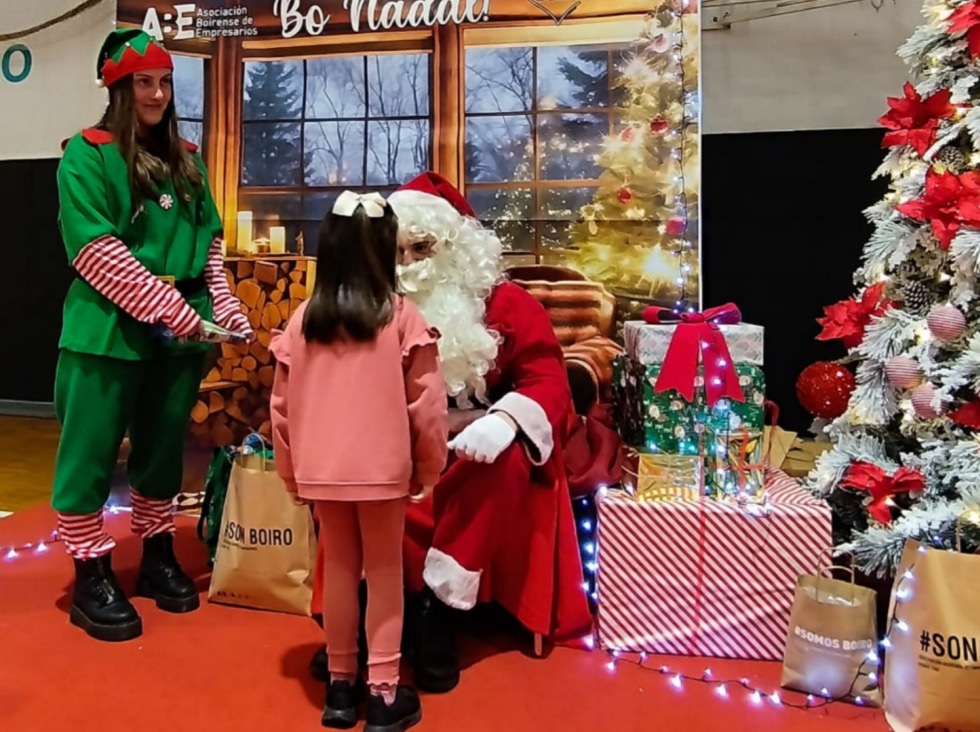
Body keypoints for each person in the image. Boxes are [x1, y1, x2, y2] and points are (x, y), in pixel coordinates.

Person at [309, 172, 592, 692]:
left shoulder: (506, 304)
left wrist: (505, 420)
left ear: (458, 247)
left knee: (499, 461)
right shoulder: (366, 304)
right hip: (395, 441)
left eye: (423, 248)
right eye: (397, 253)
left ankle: (436, 608)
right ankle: (363, 617)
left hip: (479, 443)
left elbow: (549, 380)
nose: (410, 265)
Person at [53, 28, 250, 642]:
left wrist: (222, 302)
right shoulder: (86, 155)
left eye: (164, 82)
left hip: (180, 332)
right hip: (109, 328)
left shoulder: (185, 160)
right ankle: (90, 568)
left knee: (164, 445)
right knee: (89, 449)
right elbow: (97, 249)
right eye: (144, 82)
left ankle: (157, 549)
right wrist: (166, 306)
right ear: (118, 87)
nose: (158, 93)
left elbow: (210, 246)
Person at [270, 191, 448, 730]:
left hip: (322, 470)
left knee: (341, 571)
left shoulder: (303, 320)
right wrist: (428, 466)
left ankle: (342, 688)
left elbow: (281, 407)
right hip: (384, 472)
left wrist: (291, 473)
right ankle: (386, 692)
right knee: (386, 572)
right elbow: (428, 404)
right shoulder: (401, 317)